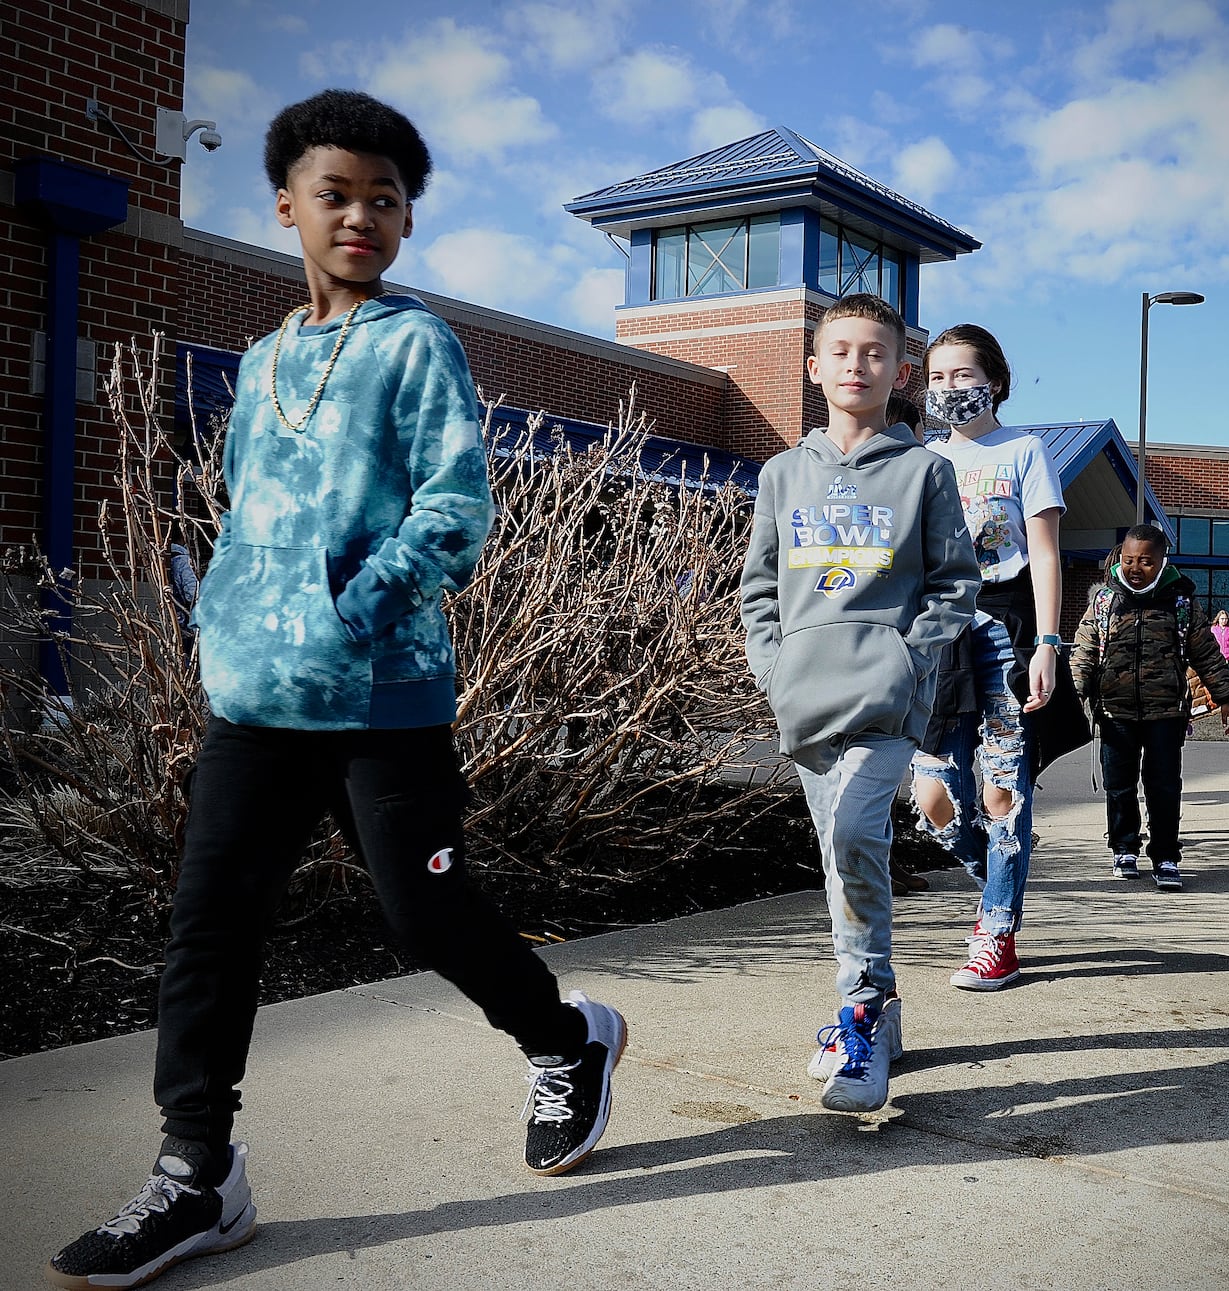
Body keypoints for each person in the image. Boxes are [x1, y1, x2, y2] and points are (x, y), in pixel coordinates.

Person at [48, 90, 628, 1291]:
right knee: (207, 930)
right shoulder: (260, 364)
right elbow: (245, 514)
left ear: (407, 221)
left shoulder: (417, 345)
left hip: (383, 701)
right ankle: (197, 1173)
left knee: (427, 918)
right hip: (253, 705)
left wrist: (343, 610)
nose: (361, 213)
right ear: (285, 207)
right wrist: (226, 621)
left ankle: (570, 1041)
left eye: (386, 198)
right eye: (336, 193)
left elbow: (456, 514)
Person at [740, 292, 979, 1112]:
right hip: (806, 699)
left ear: (900, 371)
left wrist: (908, 661)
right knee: (845, 856)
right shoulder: (782, 473)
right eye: (840, 351)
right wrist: (774, 670)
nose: (856, 365)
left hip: (885, 698)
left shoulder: (925, 471)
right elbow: (760, 590)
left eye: (874, 353)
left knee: (852, 831)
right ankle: (878, 1008)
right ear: (815, 368)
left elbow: (955, 583)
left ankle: (862, 1013)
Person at [905, 323, 1069, 991]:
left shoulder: (1025, 450)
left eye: (962, 375)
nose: (950, 388)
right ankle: (995, 872)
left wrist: (1050, 645)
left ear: (994, 381)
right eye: (938, 377)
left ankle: (997, 926)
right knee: (934, 799)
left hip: (1005, 633)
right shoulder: (922, 458)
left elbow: (1048, 553)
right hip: (934, 636)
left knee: (1003, 791)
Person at [1071, 525, 1229, 891]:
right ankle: (1124, 847)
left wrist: (1225, 697)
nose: (1135, 567)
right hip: (1115, 713)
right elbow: (1083, 652)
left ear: (1162, 561)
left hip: (1166, 713)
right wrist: (1073, 695)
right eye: (1129, 560)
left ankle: (1165, 855)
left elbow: (1206, 654)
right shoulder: (1104, 602)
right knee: (1119, 785)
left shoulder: (1180, 603)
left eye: (1146, 561)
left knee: (1163, 786)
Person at [1210, 610, 1229, 682]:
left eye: (1226, 619)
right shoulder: (1213, 629)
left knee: (1224, 674)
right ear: (1218, 619)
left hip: (1226, 656)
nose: (1224, 621)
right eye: (1222, 619)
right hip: (1215, 656)